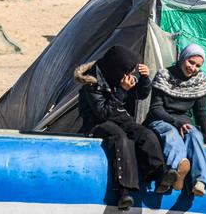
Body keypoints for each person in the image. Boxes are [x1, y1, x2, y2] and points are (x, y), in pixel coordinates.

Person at [75, 45, 178, 211]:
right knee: (120, 138)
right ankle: (124, 191)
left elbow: (140, 95)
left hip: (120, 117)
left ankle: (160, 173)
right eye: (127, 71)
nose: (129, 75)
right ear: (116, 67)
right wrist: (122, 91)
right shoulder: (92, 83)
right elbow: (103, 113)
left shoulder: (118, 75)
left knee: (144, 133)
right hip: (96, 123)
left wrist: (145, 79)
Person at [145, 43, 206, 197]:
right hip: (162, 119)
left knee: (195, 136)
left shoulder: (200, 80)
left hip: (184, 122)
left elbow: (200, 112)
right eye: (190, 62)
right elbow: (156, 109)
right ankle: (178, 167)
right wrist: (175, 122)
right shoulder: (164, 75)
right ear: (182, 58)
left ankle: (199, 181)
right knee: (171, 133)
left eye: (197, 65)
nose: (193, 68)